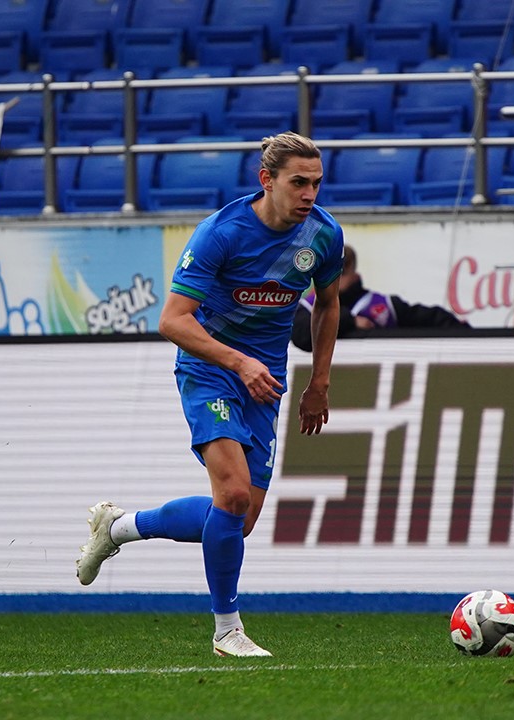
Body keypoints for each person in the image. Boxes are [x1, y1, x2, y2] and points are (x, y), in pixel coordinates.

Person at [75, 132, 344, 657]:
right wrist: (237, 360)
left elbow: (328, 304)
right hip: (209, 368)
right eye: (298, 182)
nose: (309, 194)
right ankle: (227, 631)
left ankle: (120, 527)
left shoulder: (323, 235)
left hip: (264, 380)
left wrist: (320, 382)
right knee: (234, 494)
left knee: (236, 521)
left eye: (316, 183)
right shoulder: (221, 233)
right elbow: (172, 320)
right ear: (266, 180)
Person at [290, 244, 470, 352]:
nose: (333, 279)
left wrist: (467, 334)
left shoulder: (385, 306)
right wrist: (349, 321)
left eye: (341, 272)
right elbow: (302, 336)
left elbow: (431, 318)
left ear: (354, 272)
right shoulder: (307, 307)